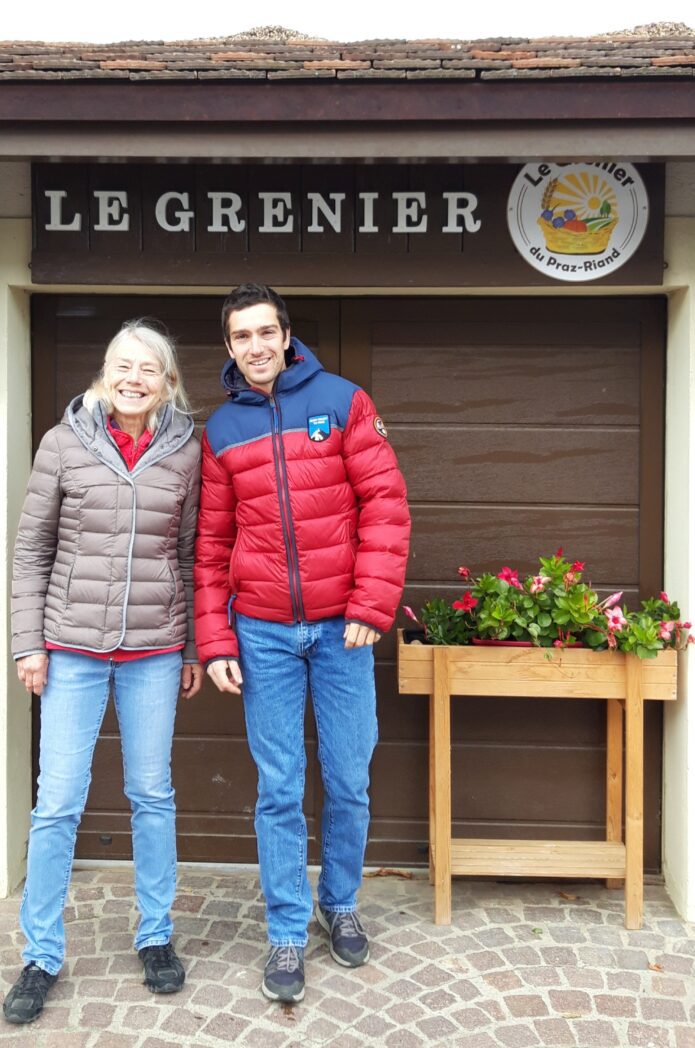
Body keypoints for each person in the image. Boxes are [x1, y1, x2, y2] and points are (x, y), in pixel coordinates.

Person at [194, 283, 410, 1003]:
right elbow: (212, 543)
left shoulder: (344, 401)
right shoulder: (221, 430)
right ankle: (286, 931)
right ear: (228, 347)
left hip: (341, 628)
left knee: (349, 774)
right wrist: (215, 639)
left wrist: (370, 604)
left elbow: (385, 505)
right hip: (261, 634)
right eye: (240, 337)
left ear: (286, 335)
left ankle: (338, 901)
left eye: (265, 332)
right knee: (279, 787)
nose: (255, 347)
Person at [4, 321, 203, 1025]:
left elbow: (187, 556)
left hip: (152, 649)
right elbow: (30, 553)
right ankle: (40, 955)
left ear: (167, 383)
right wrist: (28, 643)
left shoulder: (185, 451)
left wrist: (188, 650)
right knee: (57, 800)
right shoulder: (63, 444)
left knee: (151, 793)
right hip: (71, 651)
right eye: (124, 366)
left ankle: (155, 936)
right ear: (103, 374)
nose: (134, 379)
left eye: (149, 369)